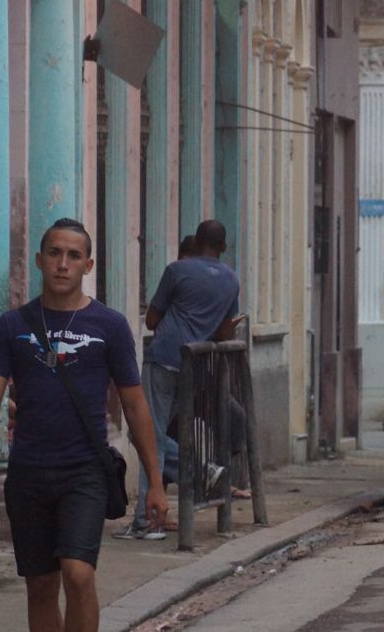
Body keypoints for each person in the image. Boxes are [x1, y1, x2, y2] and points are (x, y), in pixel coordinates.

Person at [0, 218, 168, 632]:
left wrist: (156, 480)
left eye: (73, 256)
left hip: (84, 472)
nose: (63, 264)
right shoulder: (12, 325)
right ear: (40, 260)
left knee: (78, 575)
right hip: (29, 472)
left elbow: (134, 403)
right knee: (40, 586)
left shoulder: (108, 326)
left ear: (88, 265)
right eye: (55, 254)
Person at [115, 219, 242, 539]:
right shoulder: (231, 280)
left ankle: (147, 521)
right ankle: (203, 472)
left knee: (147, 436)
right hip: (196, 366)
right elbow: (226, 331)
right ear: (224, 247)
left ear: (197, 242)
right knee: (150, 436)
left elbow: (153, 318)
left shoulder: (177, 271)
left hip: (164, 358)